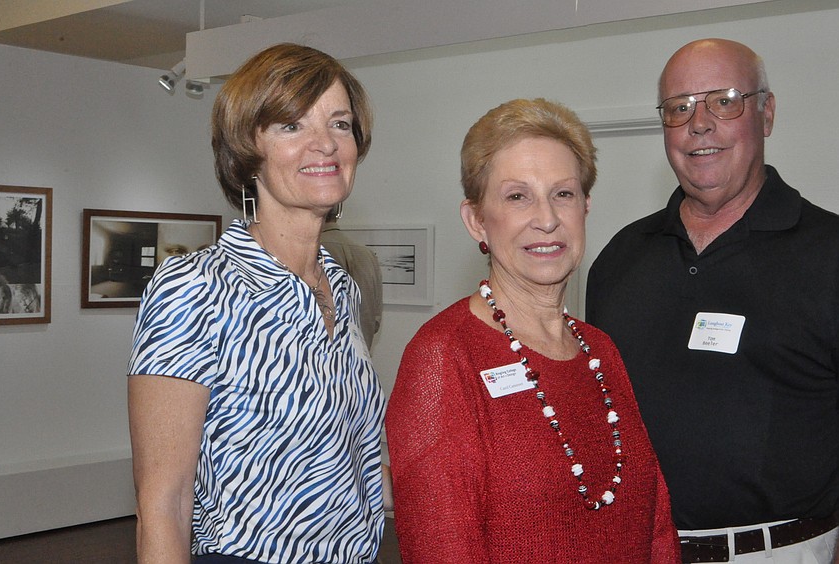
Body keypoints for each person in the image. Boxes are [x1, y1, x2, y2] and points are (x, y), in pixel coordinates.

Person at [385, 98, 680, 562]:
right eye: (517, 196)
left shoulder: (600, 349)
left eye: (563, 193)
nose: (546, 219)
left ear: (586, 206)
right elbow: (442, 550)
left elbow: (657, 528)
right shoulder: (443, 357)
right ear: (476, 220)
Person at [128, 43, 390, 563]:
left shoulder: (341, 286)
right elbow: (164, 504)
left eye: (340, 124)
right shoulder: (195, 286)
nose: (325, 145)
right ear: (249, 148)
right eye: (291, 126)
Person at [586, 38, 839, 563]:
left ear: (765, 113)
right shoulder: (618, 259)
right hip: (634, 547)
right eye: (679, 108)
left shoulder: (829, 253)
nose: (699, 123)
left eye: (724, 100)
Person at [321, 205, 383, 349]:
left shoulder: (313, 252)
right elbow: (376, 320)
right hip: (361, 358)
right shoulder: (367, 254)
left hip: (323, 361)